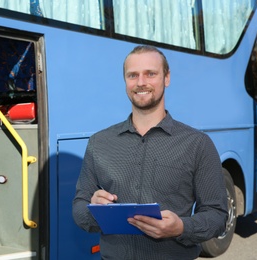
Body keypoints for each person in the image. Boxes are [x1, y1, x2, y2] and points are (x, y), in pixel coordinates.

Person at [72, 45, 228, 259]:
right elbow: (79, 206)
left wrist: (182, 227)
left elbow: (217, 216)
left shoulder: (197, 144)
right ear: (125, 81)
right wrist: (93, 209)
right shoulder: (99, 142)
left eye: (150, 74)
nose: (141, 82)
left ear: (167, 78)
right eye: (132, 75)